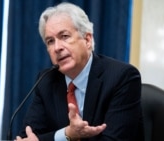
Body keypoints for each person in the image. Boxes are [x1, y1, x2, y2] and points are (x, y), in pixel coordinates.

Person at [15, 2, 144, 141]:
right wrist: (67, 134)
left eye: (64, 36)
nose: (57, 47)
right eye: (50, 41)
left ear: (87, 40)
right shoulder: (46, 81)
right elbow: (26, 136)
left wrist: (61, 137)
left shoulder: (122, 77)